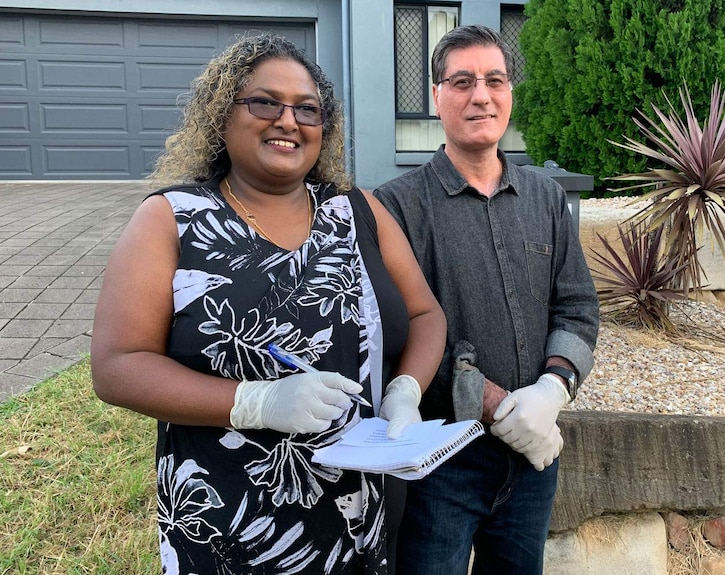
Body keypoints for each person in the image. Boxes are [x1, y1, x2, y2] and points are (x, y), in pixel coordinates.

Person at [91, 33, 445, 575]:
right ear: (222, 115)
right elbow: (117, 367)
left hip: (362, 519)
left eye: (308, 109)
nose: (289, 120)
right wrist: (255, 403)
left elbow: (425, 315)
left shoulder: (358, 211)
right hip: (230, 528)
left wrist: (405, 391)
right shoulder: (173, 220)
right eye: (265, 102)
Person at [374, 24, 599, 575]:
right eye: (462, 81)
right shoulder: (396, 207)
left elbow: (577, 306)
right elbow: (401, 332)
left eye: (495, 80)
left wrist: (553, 388)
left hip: (532, 458)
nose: (481, 95)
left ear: (510, 94)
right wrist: (496, 402)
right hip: (439, 463)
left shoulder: (545, 197)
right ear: (436, 97)